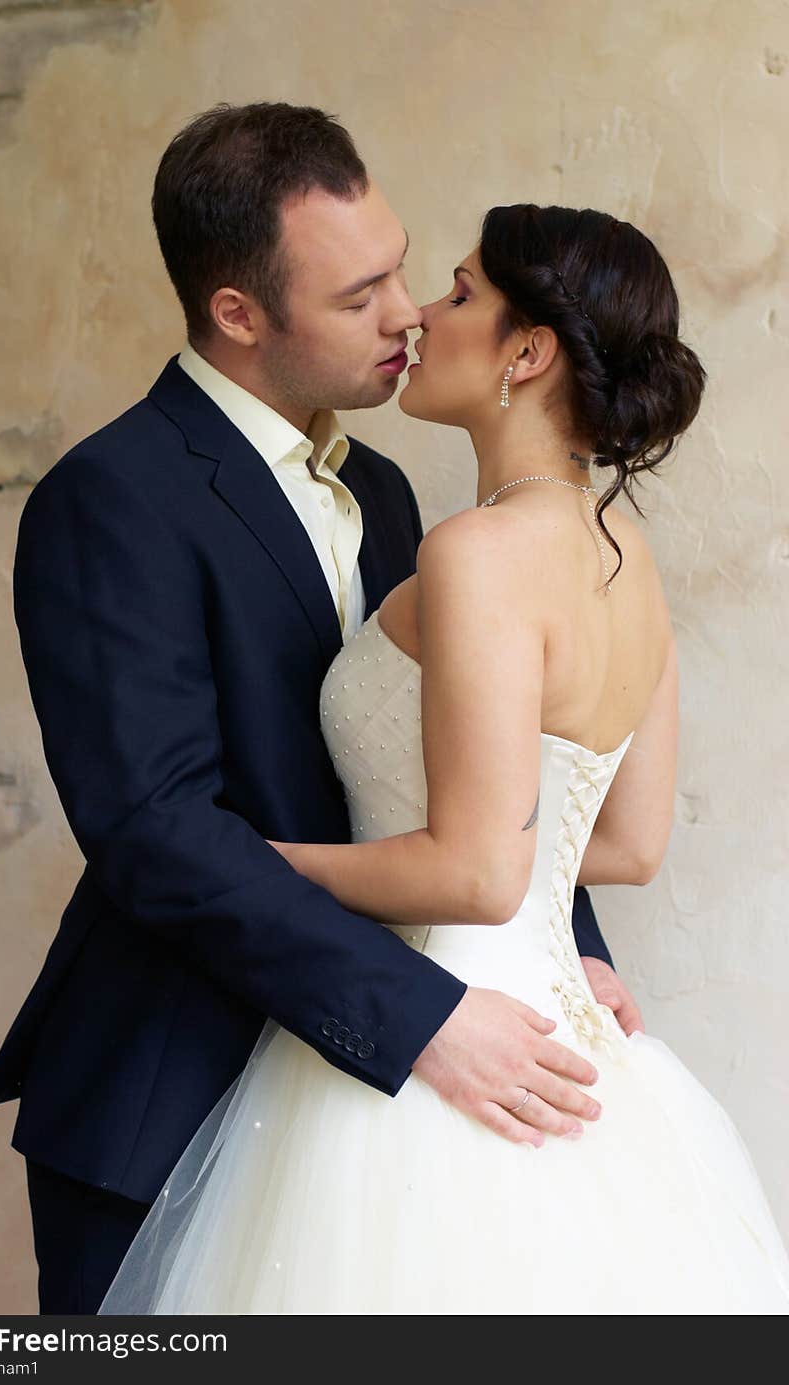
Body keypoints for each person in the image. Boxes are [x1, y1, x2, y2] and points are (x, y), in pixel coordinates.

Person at [0, 104, 633, 1315]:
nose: (409, 313)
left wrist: (566, 935)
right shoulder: (109, 498)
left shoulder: (381, 485)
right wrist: (419, 1016)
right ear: (237, 314)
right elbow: (156, 832)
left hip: (385, 1105)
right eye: (359, 293)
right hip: (176, 1078)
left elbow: (462, 751)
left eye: (406, 268)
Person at [99, 202, 789, 1315]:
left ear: (527, 351)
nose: (421, 313)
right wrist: (556, 942)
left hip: (439, 1026)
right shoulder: (629, 558)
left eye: (458, 292)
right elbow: (625, 842)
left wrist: (262, 856)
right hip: (560, 1029)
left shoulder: (472, 550)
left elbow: (474, 870)